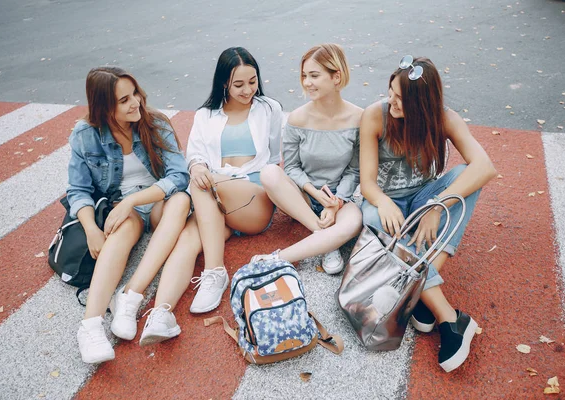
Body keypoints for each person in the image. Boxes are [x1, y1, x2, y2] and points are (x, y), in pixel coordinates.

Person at [359, 55, 497, 372]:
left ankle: (418, 293)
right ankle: (450, 317)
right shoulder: (375, 116)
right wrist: (382, 201)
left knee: (467, 175)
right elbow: (367, 183)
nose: (391, 102)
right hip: (388, 202)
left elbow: (484, 167)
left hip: (425, 198)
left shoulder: (444, 118)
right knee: (371, 218)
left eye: (400, 99)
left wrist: (439, 206)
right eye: (390, 92)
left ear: (423, 105)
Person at [68, 67, 191, 364]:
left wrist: (134, 199)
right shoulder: (85, 135)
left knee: (181, 201)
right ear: (104, 106)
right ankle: (90, 326)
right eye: (124, 100)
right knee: (122, 229)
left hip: (157, 200)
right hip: (124, 208)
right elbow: (78, 190)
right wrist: (91, 230)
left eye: (134, 93)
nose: (135, 102)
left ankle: (130, 296)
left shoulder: (155, 123)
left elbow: (178, 176)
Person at [185, 47, 282, 313]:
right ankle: (159, 309)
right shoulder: (205, 115)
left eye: (253, 82)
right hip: (217, 200)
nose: (248, 90)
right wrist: (196, 166)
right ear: (223, 82)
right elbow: (195, 154)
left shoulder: (269, 109)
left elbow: (274, 158)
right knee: (188, 240)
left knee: (201, 182)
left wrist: (200, 171)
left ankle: (215, 271)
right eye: (238, 84)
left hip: (254, 198)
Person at [253, 43, 363, 273]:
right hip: (302, 196)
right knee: (270, 172)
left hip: (339, 199)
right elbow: (291, 168)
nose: (306, 83)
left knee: (354, 222)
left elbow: (354, 171)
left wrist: (335, 203)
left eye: (314, 75)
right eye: (304, 76)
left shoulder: (358, 118)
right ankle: (324, 237)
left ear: (336, 76)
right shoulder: (297, 119)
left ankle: (276, 259)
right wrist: (315, 194)